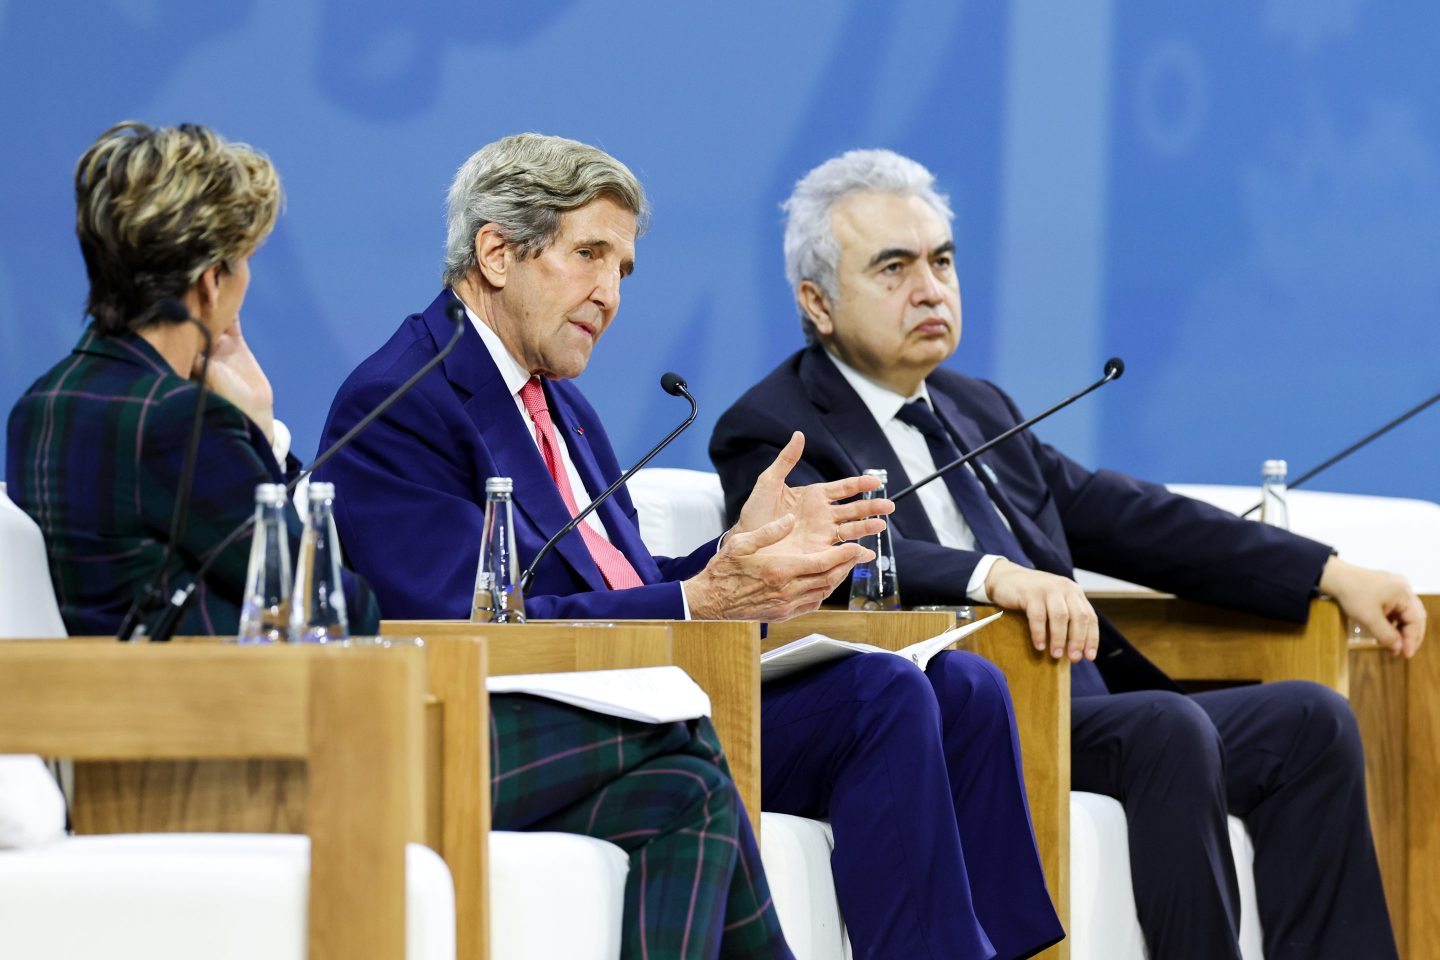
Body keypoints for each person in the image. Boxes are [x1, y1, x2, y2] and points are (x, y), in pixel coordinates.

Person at [318, 132, 1063, 960]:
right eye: (589, 255)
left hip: (653, 679)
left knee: (963, 685)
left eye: (623, 269)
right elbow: (463, 624)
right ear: (497, 253)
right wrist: (699, 599)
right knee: (881, 695)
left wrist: (743, 555)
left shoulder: (559, 402)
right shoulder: (403, 399)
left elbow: (619, 579)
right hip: (551, 720)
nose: (610, 294)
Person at [710, 147, 1426, 960]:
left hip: (1080, 701)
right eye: (894, 267)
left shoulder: (976, 408)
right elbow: (827, 558)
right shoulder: (774, 426)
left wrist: (1330, 571)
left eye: (942, 261)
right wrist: (994, 576)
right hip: (965, 715)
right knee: (1166, 727)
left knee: (1311, 722)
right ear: (818, 302)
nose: (931, 288)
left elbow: (1133, 518)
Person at [5, 120, 377, 637]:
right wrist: (261, 430)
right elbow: (334, 608)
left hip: (75, 685)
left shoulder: (38, 404)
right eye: (246, 260)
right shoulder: (179, 422)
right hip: (199, 686)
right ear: (211, 281)